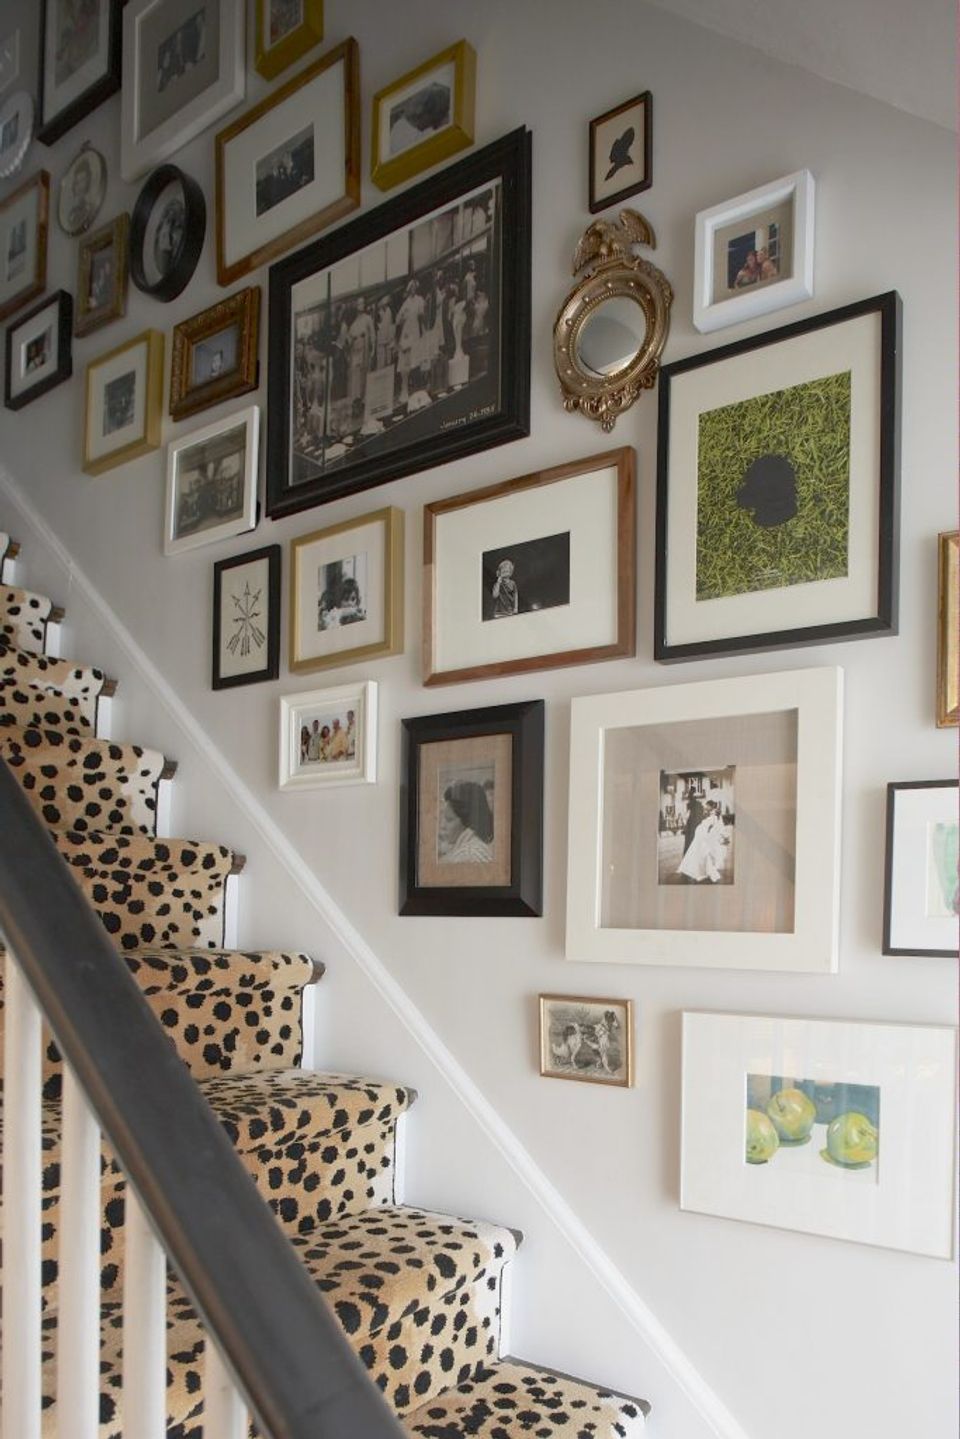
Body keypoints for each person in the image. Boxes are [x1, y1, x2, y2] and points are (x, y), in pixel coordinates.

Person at [438, 781, 494, 863]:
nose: (442, 825)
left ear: (467, 822)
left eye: (449, 819)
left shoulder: (466, 856)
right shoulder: (476, 847)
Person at [677, 799, 727, 883]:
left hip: (704, 837)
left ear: (711, 806)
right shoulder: (709, 814)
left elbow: (714, 827)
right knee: (698, 852)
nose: (706, 807)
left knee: (702, 853)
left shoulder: (714, 815)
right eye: (706, 806)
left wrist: (708, 835)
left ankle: (703, 870)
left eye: (707, 806)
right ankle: (699, 869)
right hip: (700, 836)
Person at [395, 279, 424, 404]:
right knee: (405, 360)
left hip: (416, 332)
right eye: (410, 287)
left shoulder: (419, 300)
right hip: (406, 334)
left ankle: (416, 386)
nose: (412, 289)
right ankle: (405, 389)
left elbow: (422, 316)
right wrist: (402, 319)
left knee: (416, 359)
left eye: (414, 287)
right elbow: (397, 320)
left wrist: (422, 332)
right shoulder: (405, 303)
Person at [346, 296, 375, 416]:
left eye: (362, 303)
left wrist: (373, 349)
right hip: (355, 352)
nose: (361, 305)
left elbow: (372, 334)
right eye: (359, 303)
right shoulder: (352, 322)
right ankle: (356, 403)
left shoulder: (368, 319)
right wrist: (351, 340)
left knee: (364, 376)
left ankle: (363, 402)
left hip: (365, 351)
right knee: (355, 378)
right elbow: (347, 339)